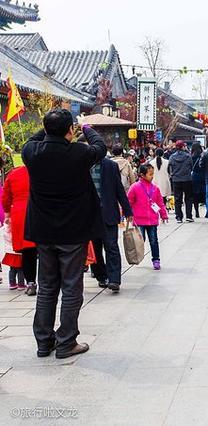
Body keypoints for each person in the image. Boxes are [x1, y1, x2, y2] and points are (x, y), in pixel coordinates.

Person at [22, 109, 107, 359]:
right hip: (73, 231)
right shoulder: (78, 153)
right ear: (70, 130)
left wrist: (50, 129)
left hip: (43, 232)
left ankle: (43, 342)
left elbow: (34, 139)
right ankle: (66, 341)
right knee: (71, 287)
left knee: (47, 287)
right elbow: (100, 147)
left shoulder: (32, 153)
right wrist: (86, 127)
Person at [87, 143, 133, 293]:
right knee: (95, 248)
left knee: (111, 247)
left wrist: (128, 211)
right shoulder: (83, 165)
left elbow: (119, 189)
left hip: (109, 213)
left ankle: (114, 280)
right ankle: (101, 276)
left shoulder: (111, 166)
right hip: (91, 216)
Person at [2, 165, 38, 296]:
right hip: (40, 210)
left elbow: (6, 197)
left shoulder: (14, 174)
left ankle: (30, 282)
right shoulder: (43, 169)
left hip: (19, 213)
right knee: (46, 249)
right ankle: (49, 282)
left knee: (27, 251)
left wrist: (7, 214)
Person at [127, 164, 169, 270]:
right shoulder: (135, 187)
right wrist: (126, 213)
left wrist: (164, 215)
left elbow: (160, 203)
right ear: (142, 175)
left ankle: (156, 259)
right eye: (150, 174)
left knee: (154, 240)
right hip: (139, 220)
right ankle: (136, 256)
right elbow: (129, 202)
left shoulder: (155, 188)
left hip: (152, 220)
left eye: (152, 174)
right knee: (140, 240)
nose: (152, 176)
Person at [168, 141, 194, 223]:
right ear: (183, 147)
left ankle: (179, 216)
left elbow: (169, 168)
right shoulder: (188, 156)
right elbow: (191, 167)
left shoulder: (172, 157)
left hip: (176, 180)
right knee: (188, 198)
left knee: (177, 198)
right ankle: (189, 216)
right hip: (187, 179)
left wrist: (172, 175)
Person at [190, 142, 206, 219]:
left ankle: (197, 212)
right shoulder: (203, 156)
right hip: (203, 176)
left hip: (194, 177)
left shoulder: (191, 157)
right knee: (205, 194)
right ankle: (207, 213)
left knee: (195, 195)